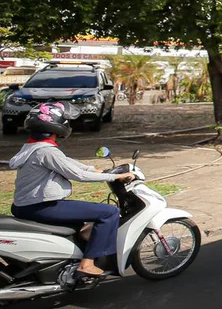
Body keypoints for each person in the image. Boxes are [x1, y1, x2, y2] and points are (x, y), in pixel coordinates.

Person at [8, 103, 134, 278]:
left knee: (85, 219)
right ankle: (87, 264)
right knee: (109, 212)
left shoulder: (32, 147)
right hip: (42, 206)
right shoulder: (46, 151)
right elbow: (78, 175)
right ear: (57, 125)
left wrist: (96, 170)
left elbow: (68, 164)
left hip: (25, 205)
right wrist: (114, 177)